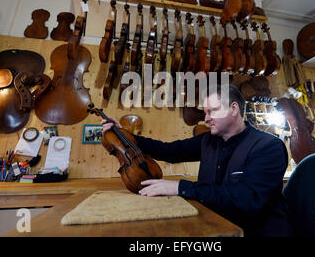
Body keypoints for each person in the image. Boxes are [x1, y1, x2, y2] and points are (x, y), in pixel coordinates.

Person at [102, 84, 292, 237]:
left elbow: (246, 198)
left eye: (212, 111)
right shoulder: (208, 140)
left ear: (234, 109)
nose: (206, 119)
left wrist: (180, 188)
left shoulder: (268, 147)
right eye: (205, 112)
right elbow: (168, 150)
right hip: (215, 228)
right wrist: (125, 136)